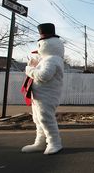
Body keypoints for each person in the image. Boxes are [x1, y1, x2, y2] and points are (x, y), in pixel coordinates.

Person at [21, 23, 65, 155]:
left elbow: (44, 76)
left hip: (47, 96)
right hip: (40, 96)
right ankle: (40, 142)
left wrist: (29, 70)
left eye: (40, 44)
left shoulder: (51, 60)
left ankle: (54, 143)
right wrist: (35, 65)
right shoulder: (48, 59)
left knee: (46, 118)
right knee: (38, 118)